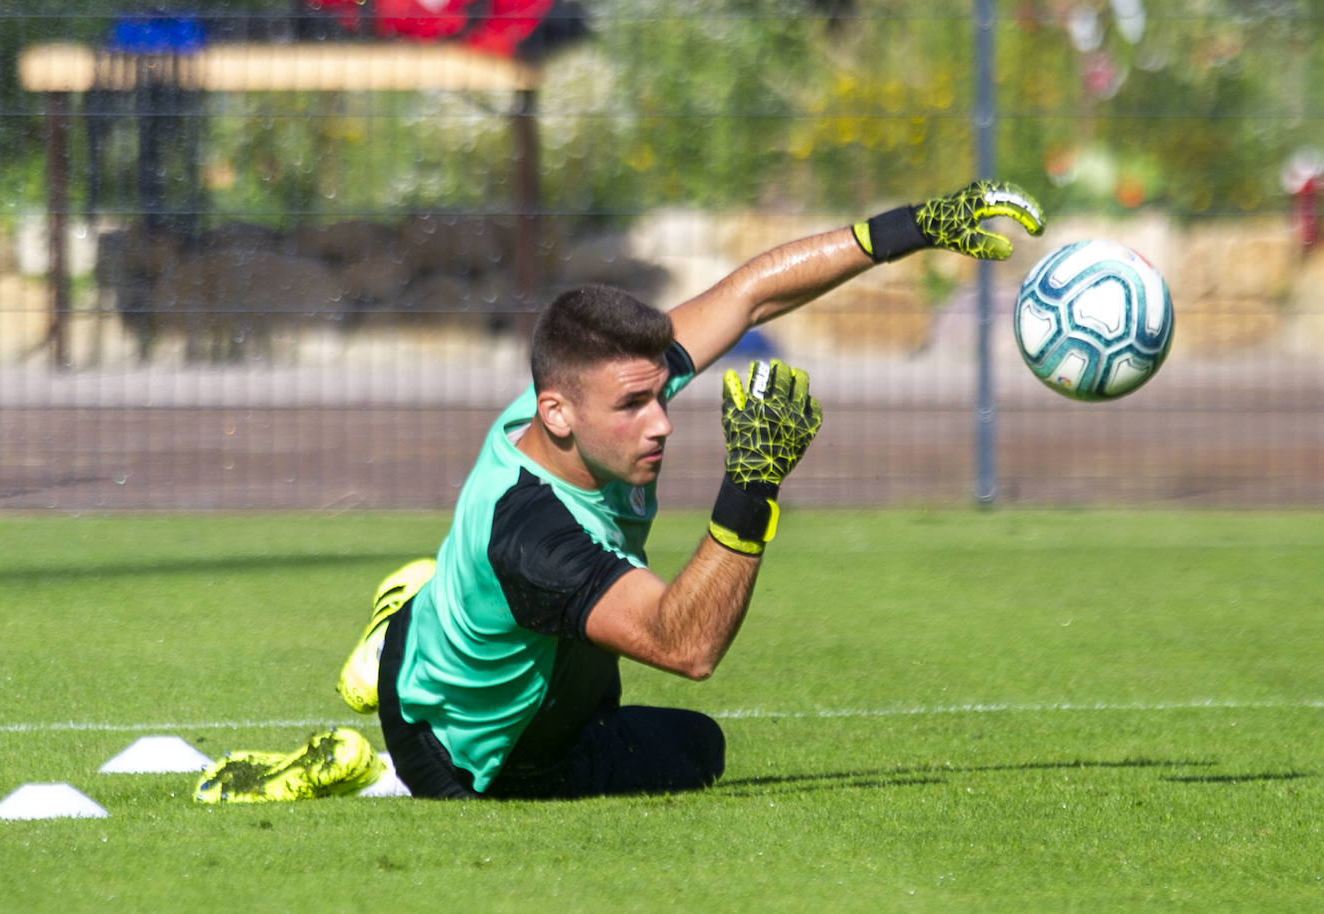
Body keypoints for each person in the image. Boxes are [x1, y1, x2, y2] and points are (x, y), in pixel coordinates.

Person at [194, 180, 1044, 803]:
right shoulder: (537, 537)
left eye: (657, 392)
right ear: (558, 413)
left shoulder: (561, 404)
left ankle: (403, 628)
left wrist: (914, 226)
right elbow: (688, 647)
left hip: (447, 649)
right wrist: (752, 485)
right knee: (693, 746)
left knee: (556, 643)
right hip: (473, 761)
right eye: (634, 405)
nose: (662, 420)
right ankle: (377, 751)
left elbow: (751, 291)